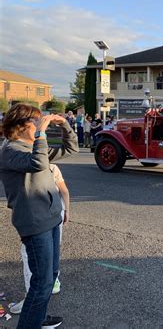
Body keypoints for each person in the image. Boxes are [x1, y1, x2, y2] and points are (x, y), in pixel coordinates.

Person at [0, 103, 78, 328]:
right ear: (22, 125)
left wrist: (65, 126)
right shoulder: (10, 150)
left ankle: (40, 318)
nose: (39, 123)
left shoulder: (35, 146)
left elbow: (71, 148)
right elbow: (38, 163)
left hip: (52, 217)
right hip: (35, 223)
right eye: (36, 120)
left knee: (50, 276)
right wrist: (43, 133)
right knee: (41, 282)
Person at [10, 163, 70, 315]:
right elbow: (64, 191)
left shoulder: (27, 167)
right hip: (57, 210)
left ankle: (32, 296)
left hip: (41, 215)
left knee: (29, 253)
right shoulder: (52, 167)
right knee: (53, 249)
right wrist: (67, 210)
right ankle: (53, 281)